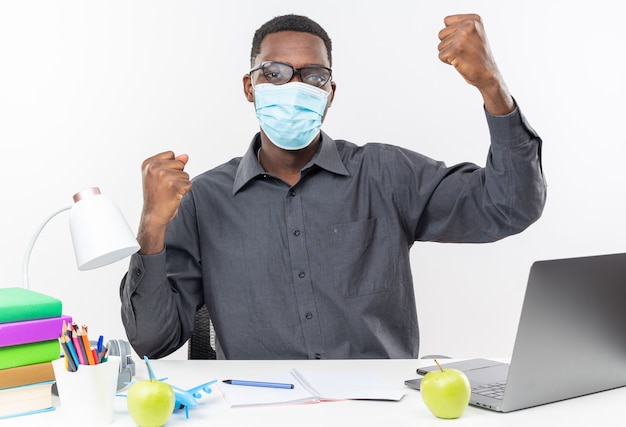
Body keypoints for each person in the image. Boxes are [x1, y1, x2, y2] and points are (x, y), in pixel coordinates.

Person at [120, 13, 546, 360]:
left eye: (313, 76)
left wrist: (492, 87)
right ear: (250, 87)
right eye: (274, 73)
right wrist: (151, 229)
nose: (294, 87)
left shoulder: (385, 174)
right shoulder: (203, 199)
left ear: (330, 92)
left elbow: (509, 207)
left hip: (379, 408)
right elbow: (152, 341)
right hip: (258, 408)